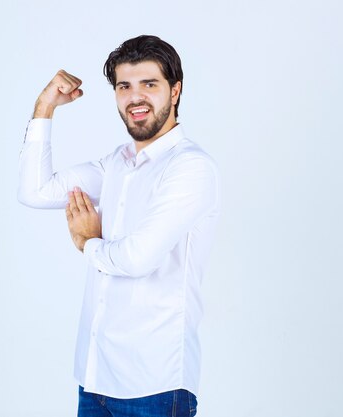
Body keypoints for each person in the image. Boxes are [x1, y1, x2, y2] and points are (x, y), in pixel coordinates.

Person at [18, 35, 220, 417]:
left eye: (149, 84)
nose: (135, 97)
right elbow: (35, 190)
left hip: (155, 388)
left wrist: (87, 242)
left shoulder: (190, 167)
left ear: (175, 91)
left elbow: (137, 258)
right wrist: (44, 107)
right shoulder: (116, 164)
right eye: (124, 86)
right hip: (95, 380)